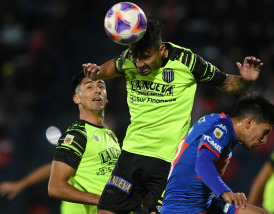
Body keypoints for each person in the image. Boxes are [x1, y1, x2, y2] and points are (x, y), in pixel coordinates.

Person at [83, 19, 263, 214]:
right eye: (136, 58)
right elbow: (114, 67)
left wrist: (245, 81)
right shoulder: (130, 58)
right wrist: (98, 72)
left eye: (146, 57)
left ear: (160, 49)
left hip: (167, 160)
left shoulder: (187, 60)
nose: (140, 64)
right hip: (131, 153)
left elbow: (225, 82)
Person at [160, 94, 274, 214]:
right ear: (249, 122)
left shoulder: (221, 127)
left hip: (205, 203)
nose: (265, 140)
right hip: (183, 208)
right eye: (265, 132)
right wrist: (225, 192)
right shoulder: (220, 128)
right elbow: (202, 164)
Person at [47, 71, 121, 214]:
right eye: (89, 87)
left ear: (107, 97)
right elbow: (55, 187)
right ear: (77, 98)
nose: (97, 90)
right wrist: (102, 200)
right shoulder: (76, 135)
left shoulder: (110, 134)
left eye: (101, 86)